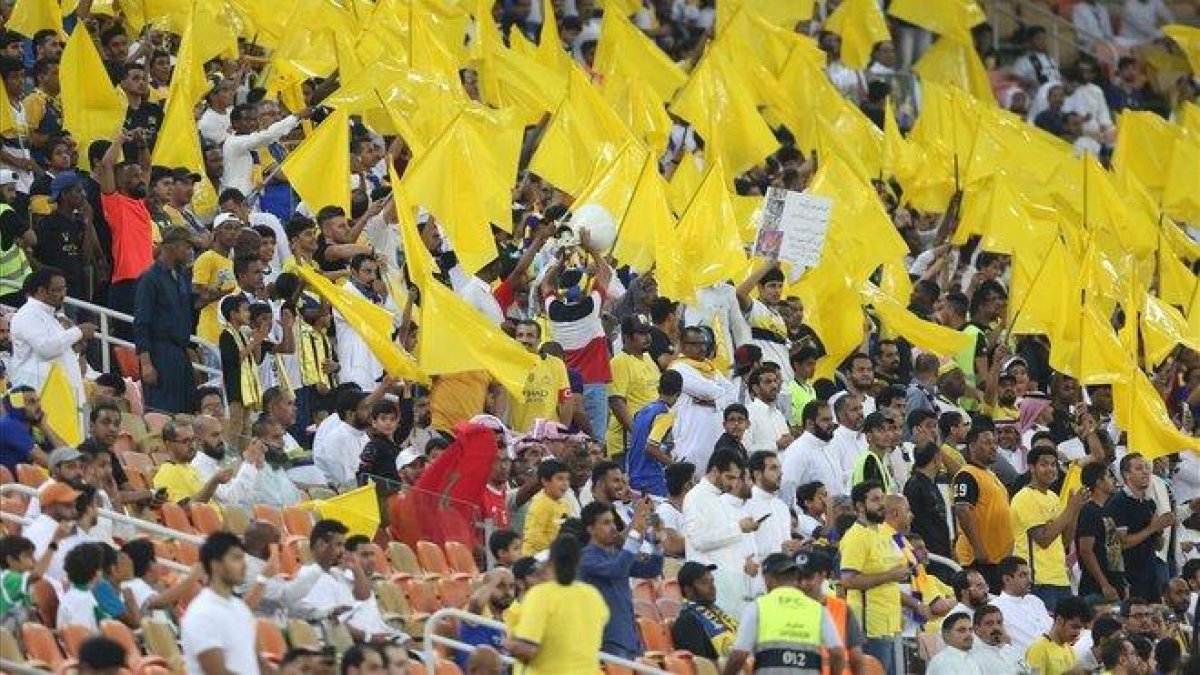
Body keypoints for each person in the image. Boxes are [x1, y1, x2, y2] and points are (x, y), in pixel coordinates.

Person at [721, 552, 846, 675]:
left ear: (768, 579)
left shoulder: (758, 607)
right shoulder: (818, 609)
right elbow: (838, 655)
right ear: (795, 578)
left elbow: (738, 656)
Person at [507, 535, 609, 674]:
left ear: (550, 562)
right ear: (577, 562)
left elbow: (527, 650)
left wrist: (510, 644)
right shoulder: (593, 595)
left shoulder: (540, 595)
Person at [579, 499, 664, 659]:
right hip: (608, 639)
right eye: (606, 523)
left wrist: (657, 541)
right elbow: (617, 570)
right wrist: (636, 531)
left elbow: (652, 569)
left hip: (631, 638)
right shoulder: (586, 557)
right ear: (591, 529)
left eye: (612, 522)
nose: (613, 528)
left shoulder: (616, 555)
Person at [839, 481, 907, 674]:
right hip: (868, 627)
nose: (882, 504)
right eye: (875, 499)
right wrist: (890, 575)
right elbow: (848, 580)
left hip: (888, 623)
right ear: (860, 506)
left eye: (883, 498)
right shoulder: (856, 536)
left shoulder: (881, 532)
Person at [683, 447, 760, 617]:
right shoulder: (696, 497)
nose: (732, 484)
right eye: (729, 477)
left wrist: (744, 561)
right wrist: (738, 527)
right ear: (715, 471)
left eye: (736, 478)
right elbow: (699, 540)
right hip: (712, 586)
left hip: (733, 584)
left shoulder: (720, 498)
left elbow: (727, 542)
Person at [1011, 444, 1088, 610]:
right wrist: (1071, 508)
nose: (1051, 469)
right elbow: (1044, 539)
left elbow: (1065, 541)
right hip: (1038, 580)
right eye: (1044, 464)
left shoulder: (1053, 497)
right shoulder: (1024, 497)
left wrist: (1075, 511)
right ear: (1031, 467)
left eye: (1053, 464)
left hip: (1060, 578)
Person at [133, 226, 197, 413]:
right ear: (172, 247)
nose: (189, 252)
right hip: (159, 354)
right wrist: (146, 363)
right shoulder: (150, 279)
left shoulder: (181, 277)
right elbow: (141, 323)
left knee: (185, 412)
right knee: (163, 412)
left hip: (180, 353)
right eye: (186, 247)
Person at [9, 267, 95, 403]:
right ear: (41, 291)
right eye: (57, 290)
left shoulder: (51, 315)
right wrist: (79, 331)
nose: (63, 294)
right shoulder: (27, 314)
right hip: (41, 394)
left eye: (64, 289)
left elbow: (58, 348)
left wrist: (76, 347)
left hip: (60, 394)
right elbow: (45, 348)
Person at [181, 532, 261, 675]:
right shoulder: (201, 613)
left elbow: (259, 662)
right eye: (236, 558)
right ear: (215, 565)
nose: (244, 565)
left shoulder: (241, 607)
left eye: (243, 558)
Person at [952, 421, 1013, 592]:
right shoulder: (967, 474)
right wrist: (978, 548)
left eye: (995, 443)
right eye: (987, 443)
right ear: (972, 446)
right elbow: (963, 510)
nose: (993, 447)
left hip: (996, 559)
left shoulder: (991, 474)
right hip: (978, 560)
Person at [1110, 452, 1174, 602]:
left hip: (1151, 575)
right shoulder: (1119, 502)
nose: (1146, 472)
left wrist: (1160, 529)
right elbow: (1121, 544)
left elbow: (1158, 546)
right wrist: (1152, 528)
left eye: (1147, 467)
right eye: (1139, 468)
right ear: (1127, 474)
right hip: (1129, 578)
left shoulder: (1149, 503)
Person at [670, 326, 736, 469]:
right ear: (682, 345)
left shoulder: (710, 368)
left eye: (703, 344)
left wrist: (715, 401)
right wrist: (718, 396)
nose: (701, 348)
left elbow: (732, 393)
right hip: (691, 439)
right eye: (694, 344)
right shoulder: (679, 368)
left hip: (714, 435)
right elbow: (708, 391)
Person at [606, 316, 660, 458]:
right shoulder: (619, 362)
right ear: (626, 337)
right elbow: (616, 402)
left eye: (648, 332)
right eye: (641, 334)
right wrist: (638, 435)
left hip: (651, 436)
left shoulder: (648, 358)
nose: (648, 337)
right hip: (628, 442)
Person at [1076, 461, 1127, 602]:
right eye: (1109, 477)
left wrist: (1122, 582)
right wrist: (1104, 584)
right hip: (1096, 588)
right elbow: (1086, 550)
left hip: (1116, 583)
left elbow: (1115, 548)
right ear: (1099, 482)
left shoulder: (1109, 511)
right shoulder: (1089, 511)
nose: (1114, 481)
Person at [625, 370, 681, 497]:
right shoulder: (665, 414)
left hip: (634, 474)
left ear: (658, 388)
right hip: (651, 478)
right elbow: (651, 448)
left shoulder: (643, 411)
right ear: (678, 393)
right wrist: (675, 466)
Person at [152, 420, 233, 505]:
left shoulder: (191, 468)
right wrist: (215, 481)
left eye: (193, 439)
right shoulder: (167, 472)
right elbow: (185, 509)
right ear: (169, 445)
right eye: (185, 441)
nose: (192, 445)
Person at [671, 561, 739, 660]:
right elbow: (701, 664)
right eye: (704, 583)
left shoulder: (717, 612)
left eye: (712, 581)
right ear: (688, 590)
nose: (712, 587)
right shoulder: (687, 622)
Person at [782, 401, 843, 503]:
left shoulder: (830, 446)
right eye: (825, 420)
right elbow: (787, 488)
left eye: (831, 419)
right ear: (810, 423)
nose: (831, 424)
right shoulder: (798, 451)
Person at [745, 450, 799, 565]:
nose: (780, 473)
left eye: (780, 468)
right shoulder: (746, 504)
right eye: (774, 468)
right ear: (757, 474)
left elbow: (785, 544)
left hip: (783, 574)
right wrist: (780, 549)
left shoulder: (782, 506)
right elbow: (744, 550)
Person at [990, 555, 1053, 653]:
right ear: (1006, 579)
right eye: (1023, 575)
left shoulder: (1035, 600)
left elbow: (1050, 629)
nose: (1029, 580)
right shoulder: (995, 608)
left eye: (1029, 575)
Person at [1025, 596, 1093, 675]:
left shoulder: (1070, 650)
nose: (1078, 633)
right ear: (1059, 620)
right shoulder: (1038, 649)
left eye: (1080, 628)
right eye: (1074, 627)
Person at [521, 459, 572, 556]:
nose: (565, 483)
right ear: (545, 481)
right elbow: (534, 537)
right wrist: (556, 550)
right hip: (535, 559)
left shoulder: (565, 505)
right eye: (560, 479)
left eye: (567, 479)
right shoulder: (540, 504)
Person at [744, 364, 792, 454]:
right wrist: (776, 445)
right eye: (768, 382)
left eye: (775, 381)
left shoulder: (778, 414)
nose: (774, 386)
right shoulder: (749, 413)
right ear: (756, 388)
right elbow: (745, 449)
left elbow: (786, 444)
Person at [968, 604, 1026, 674]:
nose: (996, 627)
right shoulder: (971, 656)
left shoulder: (1010, 648)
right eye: (989, 624)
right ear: (976, 629)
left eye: (999, 622)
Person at [851, 412, 898, 494]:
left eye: (889, 429)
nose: (887, 434)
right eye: (880, 430)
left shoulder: (879, 460)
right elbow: (874, 499)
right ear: (869, 436)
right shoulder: (870, 460)